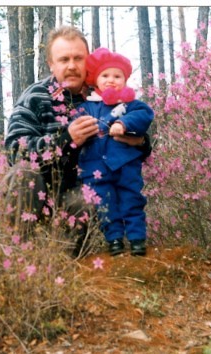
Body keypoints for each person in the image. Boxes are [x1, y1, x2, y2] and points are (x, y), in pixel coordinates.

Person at [4, 26, 151, 256]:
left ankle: (64, 264)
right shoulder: (35, 96)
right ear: (51, 65)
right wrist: (65, 139)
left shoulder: (105, 92)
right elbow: (15, 150)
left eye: (78, 58)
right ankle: (19, 256)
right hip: (40, 189)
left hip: (77, 193)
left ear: (88, 61)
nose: (71, 66)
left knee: (88, 196)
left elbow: (135, 126)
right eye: (63, 59)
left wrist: (139, 142)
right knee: (23, 175)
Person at [74, 48, 154, 256]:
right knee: (104, 204)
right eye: (105, 75)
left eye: (117, 76)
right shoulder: (86, 107)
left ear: (125, 80)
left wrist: (123, 123)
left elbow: (144, 114)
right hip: (95, 167)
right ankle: (114, 241)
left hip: (126, 164)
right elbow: (74, 125)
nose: (111, 80)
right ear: (95, 80)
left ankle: (137, 240)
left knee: (132, 200)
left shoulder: (130, 105)